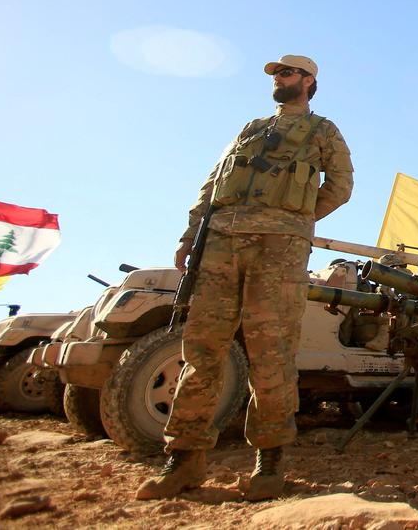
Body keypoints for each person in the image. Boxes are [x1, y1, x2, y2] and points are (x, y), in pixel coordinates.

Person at [137, 55, 354, 501]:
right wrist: (191, 233)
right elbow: (213, 182)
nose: (279, 79)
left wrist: (294, 220)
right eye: (276, 74)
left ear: (310, 81)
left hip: (278, 250)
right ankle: (183, 459)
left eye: (288, 73)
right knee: (201, 351)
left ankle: (269, 461)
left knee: (270, 353)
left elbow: (341, 186)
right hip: (219, 244)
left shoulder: (323, 131)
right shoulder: (250, 128)